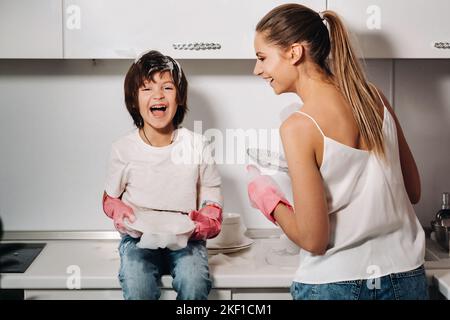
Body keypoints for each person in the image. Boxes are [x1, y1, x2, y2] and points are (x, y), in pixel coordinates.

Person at [247, 4, 427, 300]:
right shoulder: (374, 97)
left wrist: (269, 200)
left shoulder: (298, 127)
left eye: (262, 58)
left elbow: (313, 240)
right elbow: (414, 190)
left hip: (335, 283)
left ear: (294, 52)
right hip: (406, 276)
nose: (257, 70)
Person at [102, 50, 223, 300]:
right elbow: (109, 198)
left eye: (167, 87)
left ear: (179, 98)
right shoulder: (123, 148)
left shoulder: (197, 144)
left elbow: (212, 190)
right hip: (139, 238)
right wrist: (118, 211)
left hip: (186, 237)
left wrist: (210, 217)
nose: (157, 95)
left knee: (195, 281)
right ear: (134, 100)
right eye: (147, 88)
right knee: (137, 284)